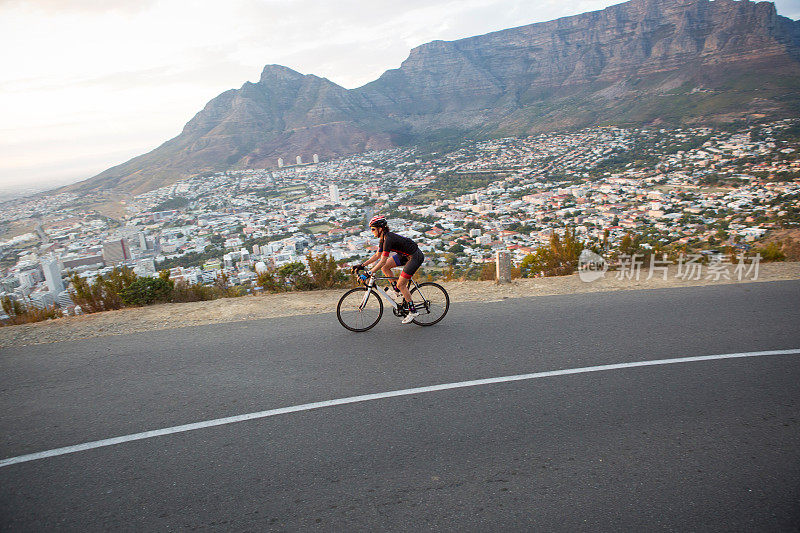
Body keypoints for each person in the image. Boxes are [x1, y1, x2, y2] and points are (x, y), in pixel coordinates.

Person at [352, 215, 425, 324]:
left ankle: (413, 311)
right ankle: (397, 291)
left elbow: (382, 261)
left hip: (415, 256)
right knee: (386, 268)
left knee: (401, 284)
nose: (372, 232)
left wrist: (368, 273)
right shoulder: (383, 238)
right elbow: (377, 255)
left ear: (380, 228)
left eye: (373, 229)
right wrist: (362, 265)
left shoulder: (388, 239)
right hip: (404, 255)